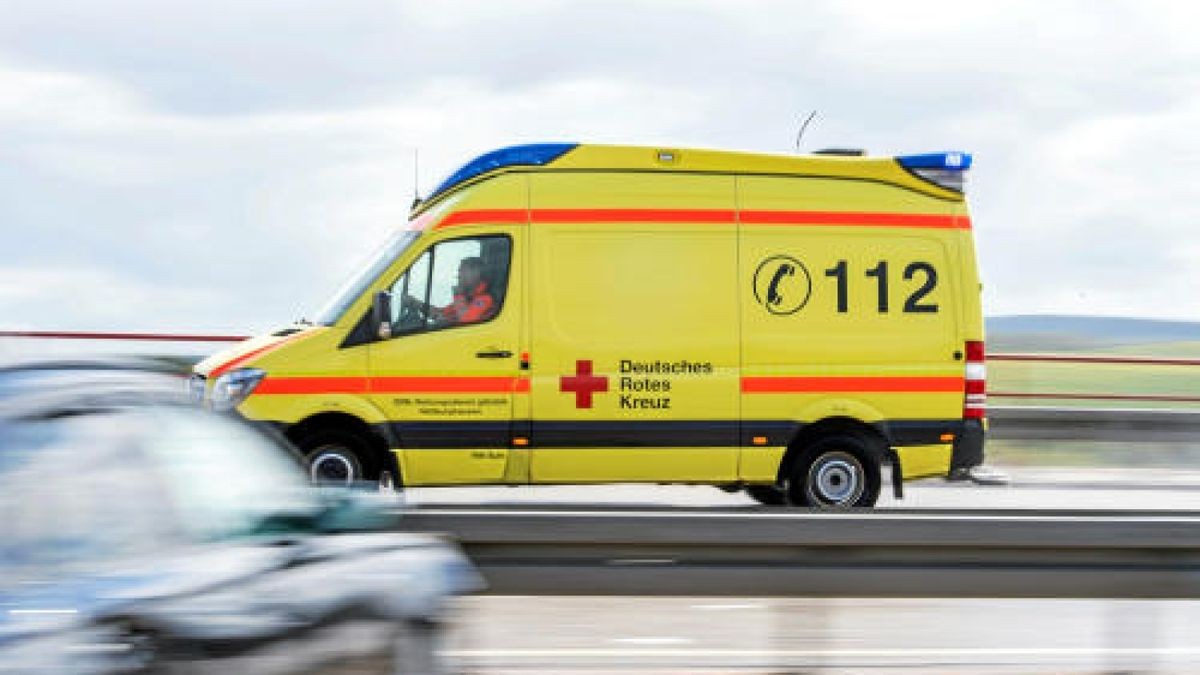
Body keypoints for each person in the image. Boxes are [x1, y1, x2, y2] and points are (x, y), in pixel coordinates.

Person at [403, 257, 495, 326]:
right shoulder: (468, 299)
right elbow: (441, 313)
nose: (458, 276)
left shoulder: (485, 299)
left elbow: (466, 322)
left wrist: (458, 295)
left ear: (476, 273)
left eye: (462, 271)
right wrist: (416, 303)